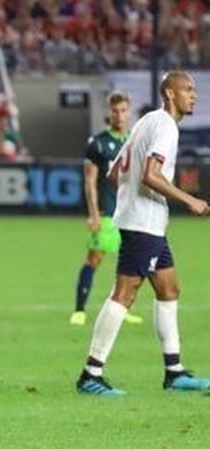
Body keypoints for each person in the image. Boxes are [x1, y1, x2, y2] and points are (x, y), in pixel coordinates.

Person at [75, 71, 210, 396]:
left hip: (146, 223)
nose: (193, 95)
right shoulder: (165, 126)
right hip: (143, 223)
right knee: (124, 294)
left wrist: (129, 198)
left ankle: (174, 372)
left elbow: (113, 174)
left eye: (194, 90)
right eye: (187, 89)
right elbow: (151, 174)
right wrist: (189, 199)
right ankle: (91, 374)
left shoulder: (146, 122)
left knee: (169, 289)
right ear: (170, 93)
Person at [70, 92, 143, 326]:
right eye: (115, 111)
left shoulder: (135, 140)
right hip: (107, 213)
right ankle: (79, 309)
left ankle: (122, 307)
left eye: (123, 110)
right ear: (108, 113)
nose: (119, 115)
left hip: (132, 214)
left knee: (132, 264)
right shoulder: (98, 143)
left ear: (129, 112)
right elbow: (90, 181)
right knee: (94, 259)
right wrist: (93, 214)